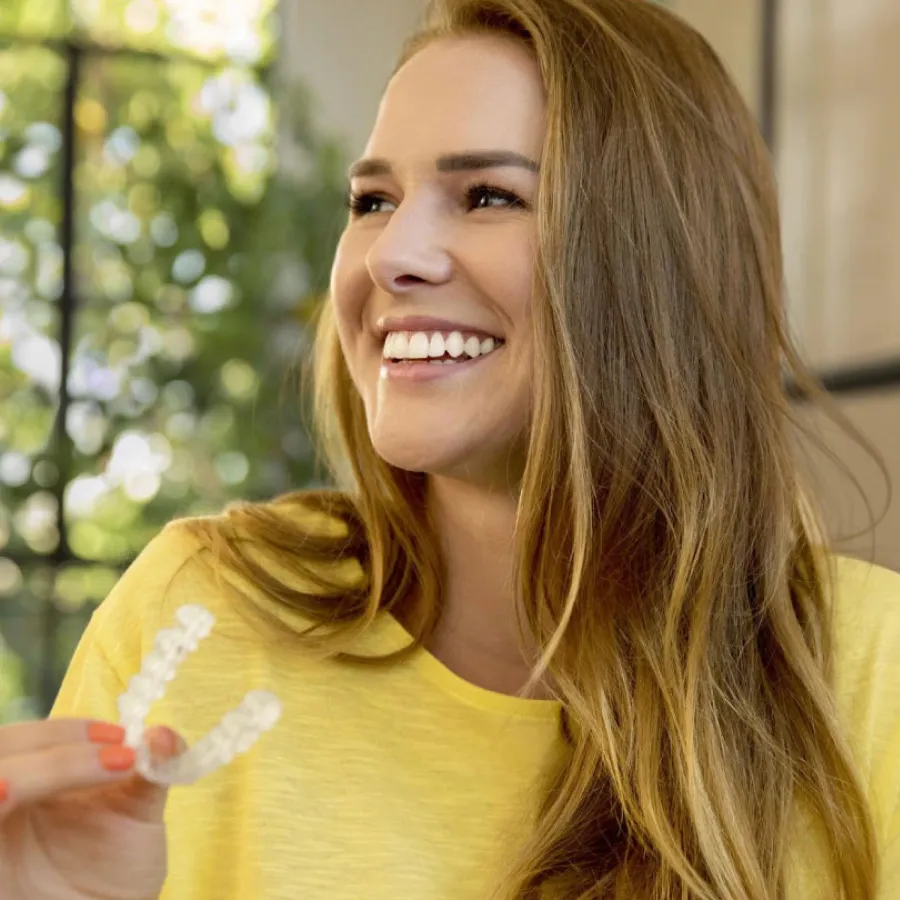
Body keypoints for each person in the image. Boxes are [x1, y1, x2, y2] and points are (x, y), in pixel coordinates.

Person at [1, 0, 898, 897]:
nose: (391, 254)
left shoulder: (873, 671)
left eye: (488, 197)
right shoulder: (203, 609)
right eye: (374, 201)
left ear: (661, 260)